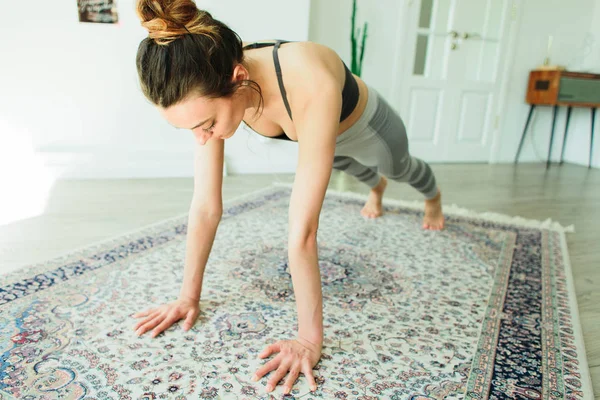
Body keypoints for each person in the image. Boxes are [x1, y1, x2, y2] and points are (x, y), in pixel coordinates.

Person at [131, 0, 445, 395]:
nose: (201, 137)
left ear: (239, 77)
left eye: (206, 124)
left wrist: (309, 340)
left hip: (367, 127)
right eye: (190, 129)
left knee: (399, 169)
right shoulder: (212, 81)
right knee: (357, 171)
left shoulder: (308, 81)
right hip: (325, 137)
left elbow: (303, 232)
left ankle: (432, 196)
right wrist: (186, 297)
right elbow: (207, 205)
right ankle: (374, 188)